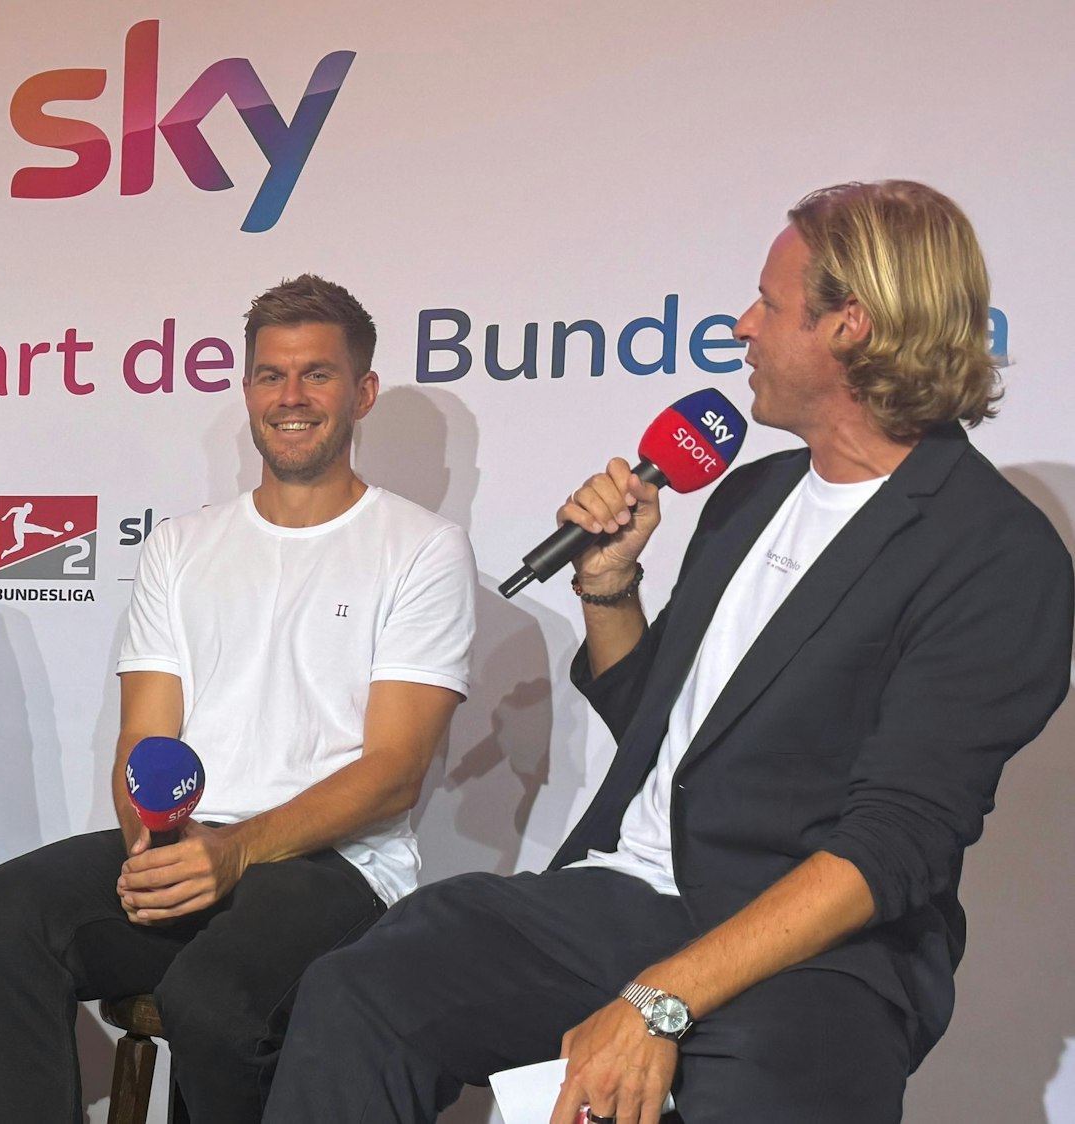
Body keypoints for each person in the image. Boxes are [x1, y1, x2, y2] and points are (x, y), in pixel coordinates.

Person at [265, 181, 1074, 1124]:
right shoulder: (750, 495)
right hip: (626, 895)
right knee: (366, 985)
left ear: (850, 325)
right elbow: (666, 732)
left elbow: (893, 844)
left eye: (770, 305)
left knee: (751, 1078)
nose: (743, 325)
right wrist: (609, 585)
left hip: (818, 949)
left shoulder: (992, 551)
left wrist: (659, 999)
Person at [0, 275, 478, 1123]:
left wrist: (232, 853)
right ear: (247, 393)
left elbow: (393, 772)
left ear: (363, 392)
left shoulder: (422, 548)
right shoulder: (182, 545)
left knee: (213, 1002)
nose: (292, 397)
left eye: (317, 374)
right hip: (192, 842)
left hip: (337, 868)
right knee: (3, 910)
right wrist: (151, 845)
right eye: (271, 376)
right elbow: (145, 740)